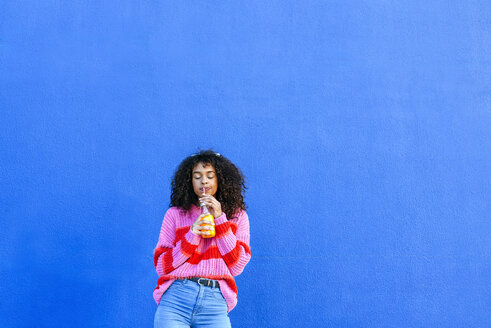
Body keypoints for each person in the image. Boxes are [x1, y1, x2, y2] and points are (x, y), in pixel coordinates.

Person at [153, 150, 251, 328]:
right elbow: (161, 266)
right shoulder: (175, 215)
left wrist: (220, 219)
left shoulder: (237, 217)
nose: (203, 181)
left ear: (220, 180)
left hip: (215, 302)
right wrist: (192, 234)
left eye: (210, 176)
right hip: (176, 298)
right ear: (189, 181)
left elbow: (236, 266)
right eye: (197, 176)